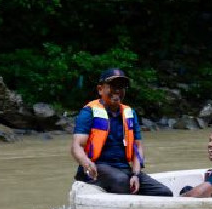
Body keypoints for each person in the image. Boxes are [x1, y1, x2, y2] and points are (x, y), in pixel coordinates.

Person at [71, 68, 172, 196]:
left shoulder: (129, 113)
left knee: (164, 193)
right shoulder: (88, 112)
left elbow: (138, 148)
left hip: (124, 169)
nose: (117, 90)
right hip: (96, 168)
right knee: (121, 181)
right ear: (100, 89)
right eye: (112, 86)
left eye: (121, 86)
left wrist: (135, 174)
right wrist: (86, 163)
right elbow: (76, 146)